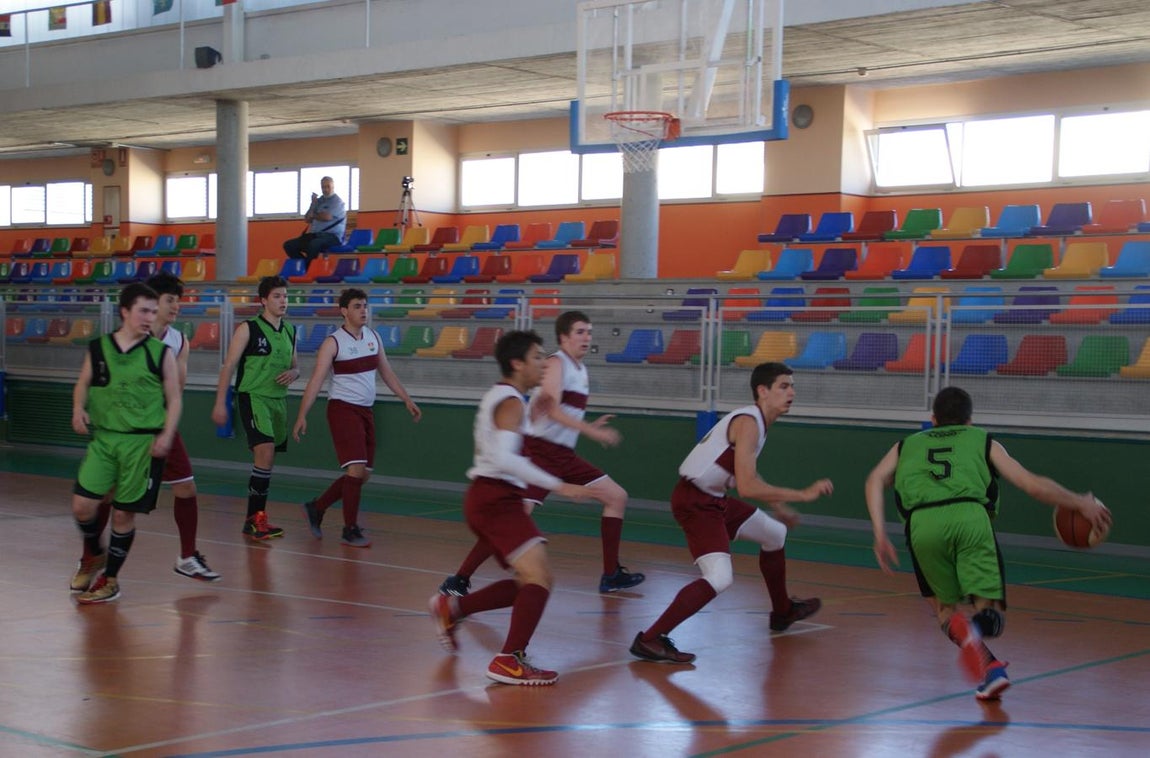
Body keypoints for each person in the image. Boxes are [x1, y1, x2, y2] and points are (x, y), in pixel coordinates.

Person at [864, 386, 1112, 701]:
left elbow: (874, 480)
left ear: (932, 419)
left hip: (921, 524)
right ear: (970, 421)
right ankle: (981, 629)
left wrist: (879, 532)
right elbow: (1032, 485)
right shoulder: (982, 440)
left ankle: (990, 667)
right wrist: (1080, 502)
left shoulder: (904, 446)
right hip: (970, 518)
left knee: (944, 609)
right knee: (990, 611)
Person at [428, 330, 601, 686]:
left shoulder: (507, 397)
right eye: (537, 357)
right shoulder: (510, 401)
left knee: (529, 581)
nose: (543, 362)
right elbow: (506, 457)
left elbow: (508, 443)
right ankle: (508, 659)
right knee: (540, 578)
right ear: (517, 363)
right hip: (496, 500)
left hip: (489, 499)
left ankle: (454, 608)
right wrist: (561, 485)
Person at [630, 362, 833, 664]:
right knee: (720, 578)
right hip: (695, 503)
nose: (792, 391)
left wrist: (780, 508)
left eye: (792, 386)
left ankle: (782, 612)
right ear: (762, 391)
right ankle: (649, 639)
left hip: (715, 498)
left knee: (775, 533)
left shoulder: (757, 423)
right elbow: (748, 487)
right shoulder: (749, 423)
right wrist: (801, 494)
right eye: (784, 386)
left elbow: (742, 475)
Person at [438, 310, 644, 596]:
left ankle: (611, 574)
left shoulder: (580, 370)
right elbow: (552, 409)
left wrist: (588, 425)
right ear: (563, 337)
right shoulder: (556, 364)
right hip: (541, 452)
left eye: (589, 332)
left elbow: (562, 412)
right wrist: (591, 431)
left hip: (564, 456)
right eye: (580, 332)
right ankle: (459, 579)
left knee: (616, 496)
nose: (587, 337)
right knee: (516, 516)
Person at [70, 272, 221, 591]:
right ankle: (90, 558)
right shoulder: (123, 340)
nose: (176, 306)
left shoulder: (178, 341)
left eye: (179, 300)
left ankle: (187, 556)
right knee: (108, 498)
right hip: (122, 430)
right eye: (169, 300)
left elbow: (177, 388)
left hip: (159, 426)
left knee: (186, 488)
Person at [70, 283, 182, 604]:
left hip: (141, 443)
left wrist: (166, 435)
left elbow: (174, 400)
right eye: (143, 311)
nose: (150, 317)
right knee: (82, 506)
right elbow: (83, 383)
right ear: (125, 312)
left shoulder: (161, 354)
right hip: (104, 439)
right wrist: (78, 407)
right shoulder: (99, 348)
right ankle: (94, 553)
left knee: (122, 515)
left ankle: (111, 579)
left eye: (153, 311)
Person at [292, 287, 422, 547]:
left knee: (363, 475)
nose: (363, 311)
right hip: (342, 409)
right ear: (344, 311)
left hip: (366, 410)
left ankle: (316, 507)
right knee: (356, 469)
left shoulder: (373, 337)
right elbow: (316, 381)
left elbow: (386, 372)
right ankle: (349, 529)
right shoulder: (333, 343)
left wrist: (406, 398)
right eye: (357, 306)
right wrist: (302, 415)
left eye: (364, 305)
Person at [212, 275, 299, 540]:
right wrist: (220, 402)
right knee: (265, 452)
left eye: (285, 296)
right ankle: (254, 518)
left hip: (277, 400)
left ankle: (256, 518)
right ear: (263, 300)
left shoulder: (290, 330)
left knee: (267, 458)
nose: (283, 301)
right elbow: (228, 366)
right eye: (276, 296)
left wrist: (295, 373)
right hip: (253, 396)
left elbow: (296, 364)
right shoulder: (248, 328)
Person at [282, 176, 346, 268]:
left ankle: (309, 269)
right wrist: (313, 204)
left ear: (333, 186)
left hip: (332, 237)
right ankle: (305, 266)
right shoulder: (318, 201)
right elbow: (307, 219)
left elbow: (326, 217)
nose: (326, 189)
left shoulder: (337, 202)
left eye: (328, 186)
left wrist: (314, 215)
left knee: (314, 244)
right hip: (315, 235)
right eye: (323, 187)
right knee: (289, 245)